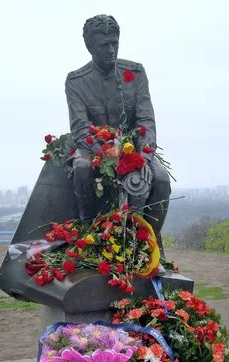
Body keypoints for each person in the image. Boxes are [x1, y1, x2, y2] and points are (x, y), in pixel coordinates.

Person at [65, 14, 171, 239]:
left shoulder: (136, 73)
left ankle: (149, 243)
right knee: (82, 168)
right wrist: (112, 156)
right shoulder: (76, 81)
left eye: (115, 43)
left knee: (161, 179)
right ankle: (88, 233)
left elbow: (146, 122)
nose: (112, 50)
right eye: (105, 45)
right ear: (90, 47)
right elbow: (81, 130)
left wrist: (143, 157)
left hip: (136, 149)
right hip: (93, 149)